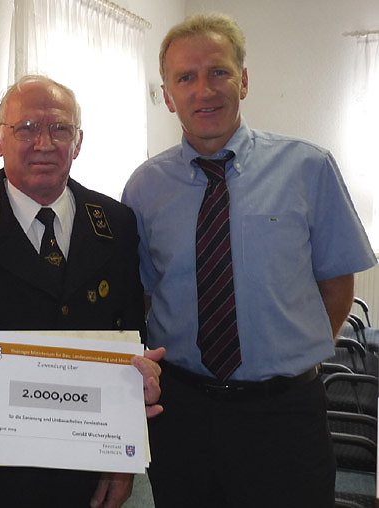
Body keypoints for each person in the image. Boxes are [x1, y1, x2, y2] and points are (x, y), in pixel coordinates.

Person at [121, 13, 377, 508]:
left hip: (285, 415)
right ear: (168, 95)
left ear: (243, 80)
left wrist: (291, 359)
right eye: (185, 77)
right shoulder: (144, 188)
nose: (204, 90)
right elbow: (146, 294)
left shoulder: (308, 167)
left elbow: (336, 283)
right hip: (184, 414)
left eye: (218, 71)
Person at [0, 74, 164, 508]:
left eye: (60, 128)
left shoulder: (116, 224)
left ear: (78, 142)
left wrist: (121, 461)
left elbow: (131, 339)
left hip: (89, 469)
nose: (44, 143)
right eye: (26, 128)